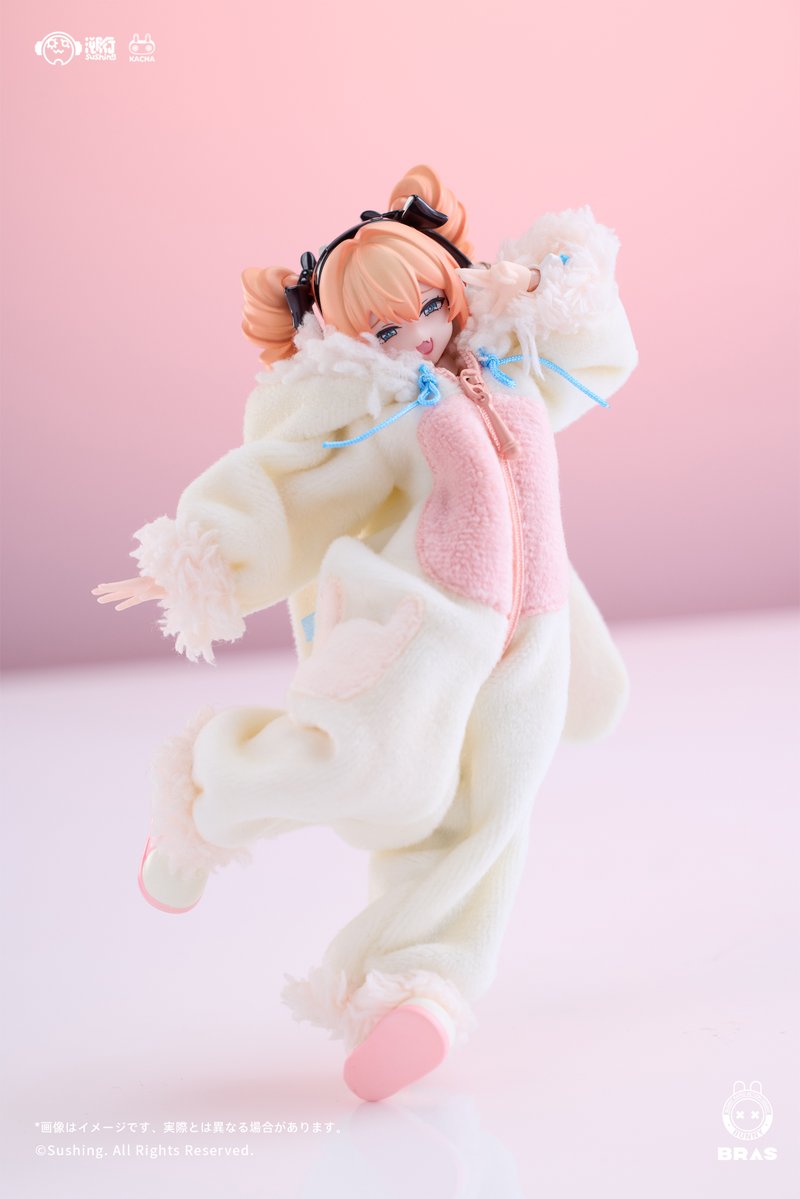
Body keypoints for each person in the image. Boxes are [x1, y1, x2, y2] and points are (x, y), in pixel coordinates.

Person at [92, 164, 638, 1101]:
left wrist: (536, 282)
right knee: (373, 774)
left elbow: (596, 333)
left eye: (429, 303)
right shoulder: (385, 412)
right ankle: (205, 797)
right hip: (421, 628)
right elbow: (294, 485)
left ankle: (420, 984)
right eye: (386, 329)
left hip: (532, 646)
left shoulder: (516, 366)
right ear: (354, 344)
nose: (419, 332)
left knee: (488, 818)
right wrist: (203, 555)